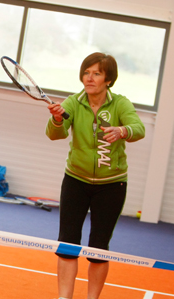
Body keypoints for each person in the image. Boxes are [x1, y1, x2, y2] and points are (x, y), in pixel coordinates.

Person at [45, 52, 145, 299]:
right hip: (75, 181)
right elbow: (54, 134)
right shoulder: (73, 103)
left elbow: (139, 129)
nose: (89, 78)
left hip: (111, 185)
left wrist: (122, 130)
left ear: (108, 79)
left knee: (99, 248)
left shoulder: (120, 103)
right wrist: (57, 120)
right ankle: (64, 297)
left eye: (96, 73)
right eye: (86, 72)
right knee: (67, 244)